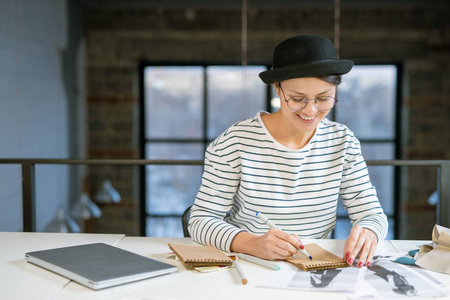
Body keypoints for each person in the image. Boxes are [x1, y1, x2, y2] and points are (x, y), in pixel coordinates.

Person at [188, 34, 388, 268]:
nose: (311, 110)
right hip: (251, 266)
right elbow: (200, 221)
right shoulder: (234, 143)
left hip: (315, 269)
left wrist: (369, 231)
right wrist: (251, 243)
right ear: (277, 88)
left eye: (324, 98)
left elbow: (373, 215)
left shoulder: (343, 142)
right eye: (297, 99)